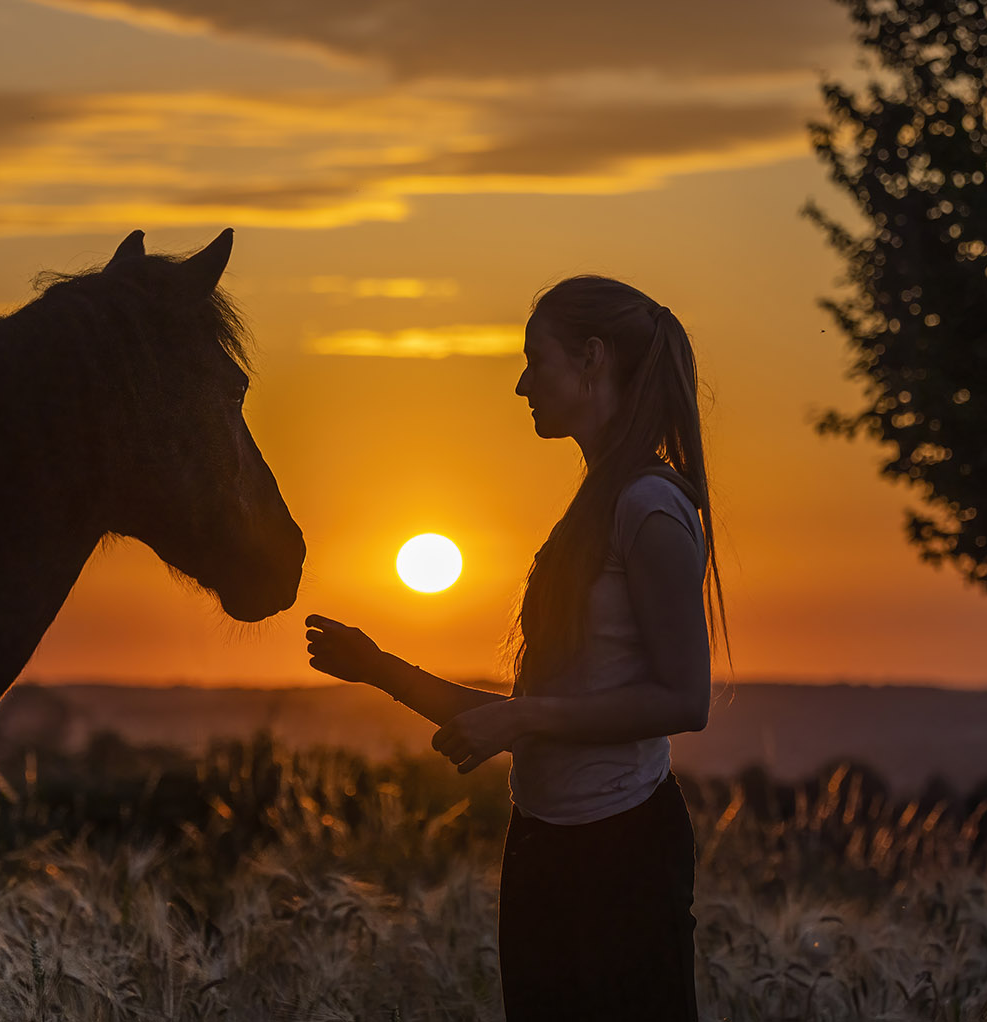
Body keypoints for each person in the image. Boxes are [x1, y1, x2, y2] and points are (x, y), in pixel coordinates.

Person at [306, 275, 723, 1021]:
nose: (522, 383)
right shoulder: (595, 508)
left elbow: (683, 700)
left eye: (537, 359)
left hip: (622, 851)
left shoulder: (648, 506)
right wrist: (380, 671)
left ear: (592, 358)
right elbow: (530, 712)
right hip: (544, 843)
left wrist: (522, 721)